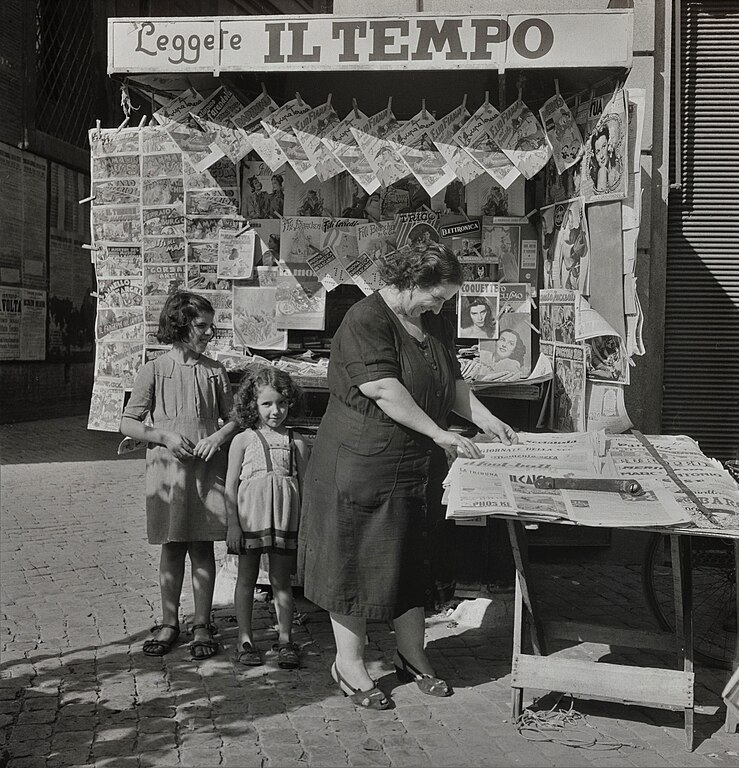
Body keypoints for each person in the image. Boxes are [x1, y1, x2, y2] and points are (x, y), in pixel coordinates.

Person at [298, 242, 518, 710]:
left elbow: (452, 383)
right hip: (361, 464)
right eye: (437, 297)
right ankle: (349, 664)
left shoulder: (431, 321)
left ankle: (412, 654)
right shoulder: (366, 319)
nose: (443, 307)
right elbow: (382, 388)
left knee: (413, 558)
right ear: (409, 283)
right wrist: (439, 432)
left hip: (414, 466)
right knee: (354, 563)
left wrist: (485, 418)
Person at [120, 291, 239, 660]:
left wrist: (218, 437)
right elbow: (128, 421)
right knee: (172, 546)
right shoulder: (153, 370)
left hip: (206, 470)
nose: (209, 332)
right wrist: (165, 436)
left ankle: (202, 623)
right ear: (180, 325)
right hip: (168, 472)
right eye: (201, 326)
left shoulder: (214, 371)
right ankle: (170, 621)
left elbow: (235, 417)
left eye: (210, 325)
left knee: (203, 546)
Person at [225, 366, 309, 670]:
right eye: (267, 404)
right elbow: (231, 485)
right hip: (250, 519)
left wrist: (306, 525)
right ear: (252, 405)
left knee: (281, 580)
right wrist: (233, 524)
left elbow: (306, 484)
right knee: (246, 578)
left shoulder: (296, 441)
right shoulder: (243, 440)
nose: (276, 411)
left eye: (282, 403)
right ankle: (244, 639)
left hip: (285, 520)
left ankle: (286, 639)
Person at [589, 124, 620, 193]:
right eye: (597, 152)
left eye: (604, 146)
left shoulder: (615, 169)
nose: (601, 156)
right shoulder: (602, 171)